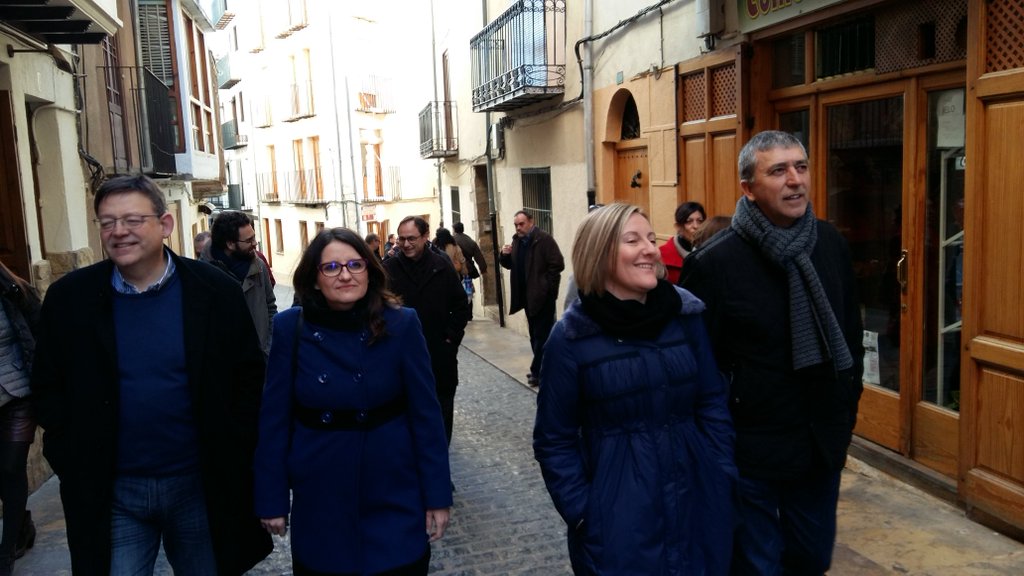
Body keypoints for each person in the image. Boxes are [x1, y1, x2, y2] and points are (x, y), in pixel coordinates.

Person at [31, 174, 272, 575]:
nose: (118, 232)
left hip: (199, 484)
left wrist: (235, 449)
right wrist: (70, 457)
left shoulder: (214, 292)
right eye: (107, 222)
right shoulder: (70, 299)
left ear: (165, 225)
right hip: (113, 491)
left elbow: (248, 380)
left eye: (131, 220)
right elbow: (48, 385)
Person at [681, 130, 864, 575]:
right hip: (751, 450)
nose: (795, 180)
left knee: (813, 558)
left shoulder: (830, 244)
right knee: (758, 565)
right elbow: (697, 369)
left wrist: (843, 414)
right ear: (748, 188)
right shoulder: (713, 263)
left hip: (819, 443)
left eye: (800, 167)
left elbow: (852, 338)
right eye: (778, 170)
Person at [534, 203, 735, 575]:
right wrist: (584, 514)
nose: (650, 249)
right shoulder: (571, 338)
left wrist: (720, 471)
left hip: (697, 499)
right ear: (599, 253)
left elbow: (711, 401)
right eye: (632, 240)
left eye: (651, 238)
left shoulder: (685, 317)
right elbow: (553, 439)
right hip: (618, 520)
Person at [254, 227, 451, 575]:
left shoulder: (402, 325)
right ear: (314, 279)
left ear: (369, 271)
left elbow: (426, 417)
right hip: (321, 495)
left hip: (393, 490)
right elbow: (274, 420)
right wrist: (271, 498)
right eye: (331, 268)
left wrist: (436, 496)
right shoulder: (290, 328)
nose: (345, 274)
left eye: (355, 265)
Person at [383, 216, 470, 444]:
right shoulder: (389, 269)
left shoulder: (442, 266)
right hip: (400, 361)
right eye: (401, 239)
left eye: (411, 238)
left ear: (425, 237)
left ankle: (440, 471)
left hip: (440, 357)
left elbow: (461, 306)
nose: (406, 243)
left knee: (441, 418)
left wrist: (450, 339)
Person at [0, 260, 40, 576]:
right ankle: (22, 524)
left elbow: (38, 333)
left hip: (18, 394)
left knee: (11, 466)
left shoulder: (14, 288)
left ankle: (7, 552)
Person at [499, 210, 565, 386]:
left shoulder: (543, 239)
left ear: (531, 222)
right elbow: (510, 264)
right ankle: (542, 369)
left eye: (521, 224)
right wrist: (504, 255)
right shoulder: (517, 241)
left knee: (543, 337)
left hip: (542, 296)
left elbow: (557, 264)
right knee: (535, 336)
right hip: (527, 297)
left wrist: (548, 289)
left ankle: (538, 372)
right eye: (516, 225)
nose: (518, 228)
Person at [201, 210, 277, 355]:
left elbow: (271, 307)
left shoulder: (259, 266)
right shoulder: (203, 273)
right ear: (230, 244)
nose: (255, 243)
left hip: (259, 361)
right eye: (249, 240)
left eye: (254, 237)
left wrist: (268, 347)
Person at [659, 201, 706, 284]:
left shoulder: (710, 251)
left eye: (700, 221)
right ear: (678, 227)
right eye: (689, 221)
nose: (696, 226)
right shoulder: (662, 257)